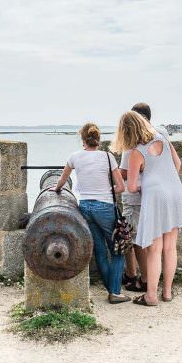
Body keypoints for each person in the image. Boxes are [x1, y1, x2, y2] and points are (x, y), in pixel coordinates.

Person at [113, 111, 182, 306]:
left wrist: (145, 186)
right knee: (170, 247)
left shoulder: (136, 151)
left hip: (155, 195)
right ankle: (168, 293)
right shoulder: (163, 136)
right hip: (175, 191)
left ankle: (151, 296)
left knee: (155, 249)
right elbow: (177, 164)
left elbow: (130, 187)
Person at [53, 123, 130, 304]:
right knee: (117, 251)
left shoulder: (74, 157)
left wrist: (54, 188)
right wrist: (105, 189)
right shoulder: (107, 157)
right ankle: (115, 292)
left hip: (85, 207)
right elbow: (121, 187)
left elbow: (61, 182)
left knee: (100, 252)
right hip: (105, 207)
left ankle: (111, 289)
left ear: (82, 139)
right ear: (98, 139)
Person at [119, 102, 171, 293]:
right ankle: (157, 283)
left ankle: (146, 279)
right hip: (158, 194)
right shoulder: (161, 134)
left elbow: (125, 173)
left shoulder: (133, 140)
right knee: (156, 240)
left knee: (135, 238)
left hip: (135, 197)